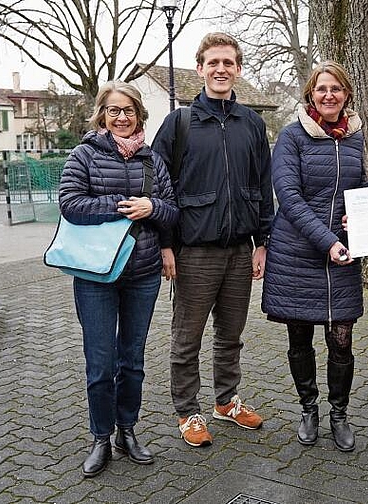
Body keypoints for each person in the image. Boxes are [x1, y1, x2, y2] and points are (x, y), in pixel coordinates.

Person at [261, 61, 368, 452]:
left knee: (341, 340)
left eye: (336, 89)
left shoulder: (355, 137)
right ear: (311, 94)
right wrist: (327, 240)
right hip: (298, 254)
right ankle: (309, 408)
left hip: (341, 253)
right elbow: (289, 198)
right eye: (322, 88)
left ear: (347, 95)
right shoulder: (292, 137)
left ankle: (339, 413)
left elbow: (349, 188)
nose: (329, 95)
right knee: (300, 337)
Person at [151, 32, 274, 447]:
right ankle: (187, 411)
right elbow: (158, 187)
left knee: (231, 334)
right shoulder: (179, 123)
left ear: (238, 68)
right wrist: (165, 244)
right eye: (213, 62)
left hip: (240, 249)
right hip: (194, 251)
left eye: (229, 62)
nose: (221, 69)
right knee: (187, 338)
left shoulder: (252, 123)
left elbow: (263, 184)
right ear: (200, 67)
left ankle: (227, 401)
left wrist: (263, 241)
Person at [58, 81, 179, 477]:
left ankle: (127, 430)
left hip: (142, 274)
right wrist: (121, 206)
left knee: (133, 360)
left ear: (139, 115)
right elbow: (70, 204)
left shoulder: (151, 160)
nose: (122, 117)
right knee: (100, 361)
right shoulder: (84, 155)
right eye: (114, 110)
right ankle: (100, 437)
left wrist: (153, 208)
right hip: (96, 274)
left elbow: (172, 210)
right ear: (102, 115)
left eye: (129, 110)